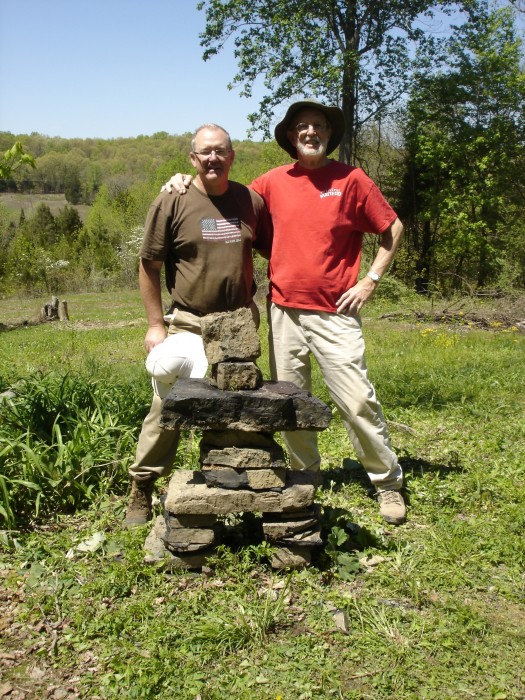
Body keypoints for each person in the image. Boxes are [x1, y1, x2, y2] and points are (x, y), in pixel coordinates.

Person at [165, 99, 406, 525]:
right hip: (282, 313)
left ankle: (387, 483)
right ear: (291, 137)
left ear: (328, 135)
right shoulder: (272, 183)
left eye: (317, 126)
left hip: (335, 313)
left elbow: (392, 228)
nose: (310, 132)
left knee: (357, 401)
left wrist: (370, 280)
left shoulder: (350, 180)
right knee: (290, 402)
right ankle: (305, 472)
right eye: (301, 127)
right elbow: (225, 195)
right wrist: (186, 179)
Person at [123, 123, 272, 529]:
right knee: (167, 402)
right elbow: (148, 266)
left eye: (221, 151)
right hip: (189, 323)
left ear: (232, 156)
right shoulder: (172, 200)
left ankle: (237, 481)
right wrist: (156, 324)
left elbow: (276, 252)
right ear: (192, 158)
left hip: (240, 325)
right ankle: (143, 485)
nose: (213, 158)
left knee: (240, 404)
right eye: (205, 152)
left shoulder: (250, 201)